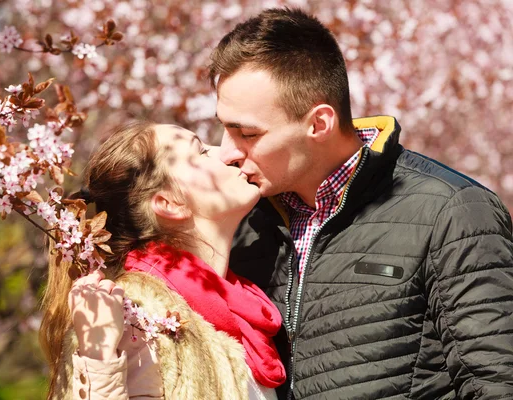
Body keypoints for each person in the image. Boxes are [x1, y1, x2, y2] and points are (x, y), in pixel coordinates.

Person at [208, 7, 513, 400]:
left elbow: (497, 383)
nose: (226, 151)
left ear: (319, 123)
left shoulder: (451, 211)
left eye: (247, 132)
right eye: (223, 125)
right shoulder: (243, 220)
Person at [39, 121, 286, 399]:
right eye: (201, 152)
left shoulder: (241, 308)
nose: (227, 154)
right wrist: (100, 357)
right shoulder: (136, 318)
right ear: (170, 203)